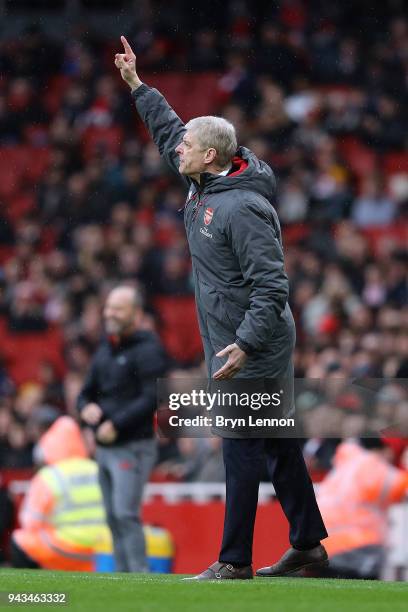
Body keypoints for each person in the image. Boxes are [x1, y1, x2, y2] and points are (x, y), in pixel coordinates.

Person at [114, 37, 328, 580]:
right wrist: (140, 86)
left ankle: (234, 561)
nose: (176, 150)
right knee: (278, 444)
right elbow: (169, 131)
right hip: (237, 337)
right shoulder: (207, 183)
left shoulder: (242, 208)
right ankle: (307, 545)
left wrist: (248, 343)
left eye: (187, 146)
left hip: (252, 342)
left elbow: (272, 286)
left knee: (240, 444)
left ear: (209, 156)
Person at [77, 285, 166, 572]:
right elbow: (86, 391)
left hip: (133, 445)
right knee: (113, 516)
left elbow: (153, 396)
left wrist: (116, 423)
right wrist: (84, 408)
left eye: (117, 308)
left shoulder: (149, 349)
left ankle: (138, 576)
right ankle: (121, 577)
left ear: (136, 314)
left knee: (125, 513)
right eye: (108, 307)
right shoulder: (106, 347)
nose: (109, 313)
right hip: (105, 447)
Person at [11, 416, 111, 571]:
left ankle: (33, 591)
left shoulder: (50, 475)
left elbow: (30, 521)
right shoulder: (96, 469)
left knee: (20, 539)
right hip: (100, 551)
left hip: (64, 550)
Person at [313, 437, 408, 579]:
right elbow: (401, 488)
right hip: (358, 544)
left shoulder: (344, 465)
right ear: (385, 451)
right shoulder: (371, 466)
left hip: (323, 544)